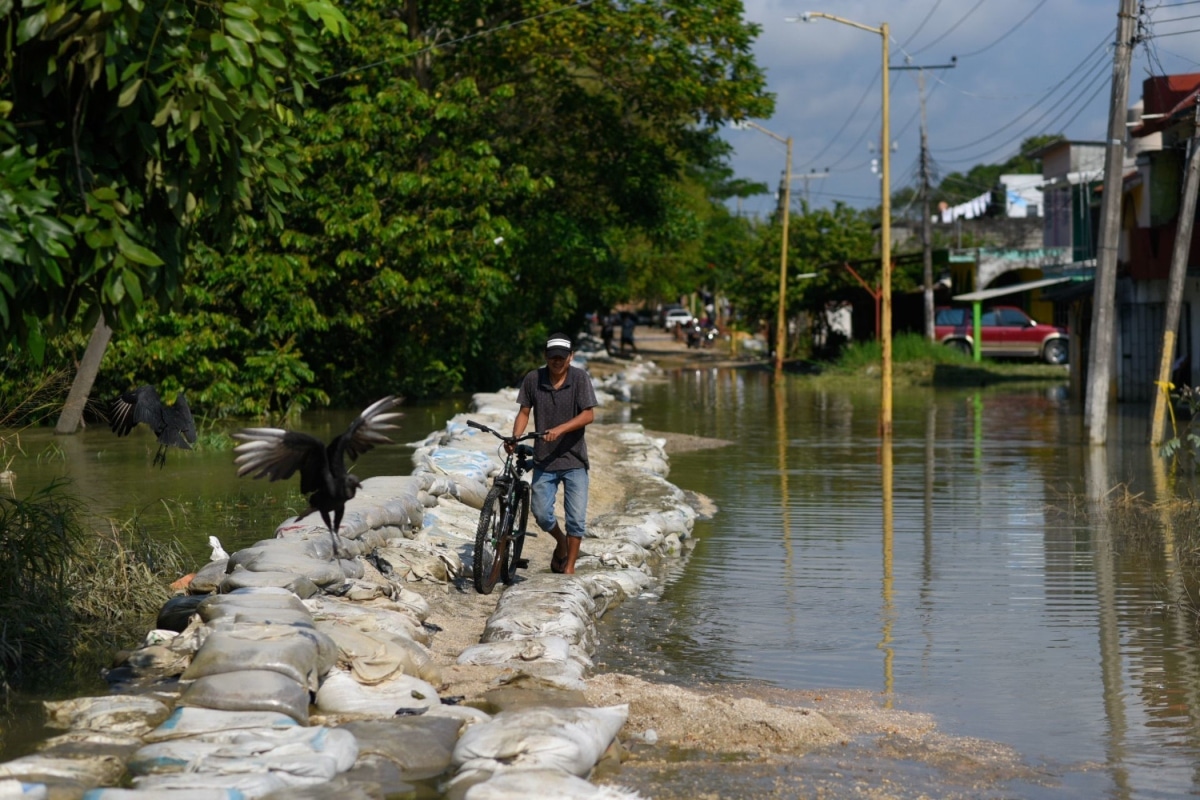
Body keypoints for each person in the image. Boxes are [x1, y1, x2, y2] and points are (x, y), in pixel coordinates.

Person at [510, 333, 598, 574]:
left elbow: (588, 415)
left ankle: (569, 568)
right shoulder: (533, 379)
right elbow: (524, 412)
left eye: (562, 356)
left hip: (574, 460)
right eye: (552, 357)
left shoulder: (580, 378)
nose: (557, 361)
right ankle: (560, 541)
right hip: (544, 460)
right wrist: (514, 437)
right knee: (541, 514)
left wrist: (560, 429)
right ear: (545, 357)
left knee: (576, 520)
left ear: (571, 357)